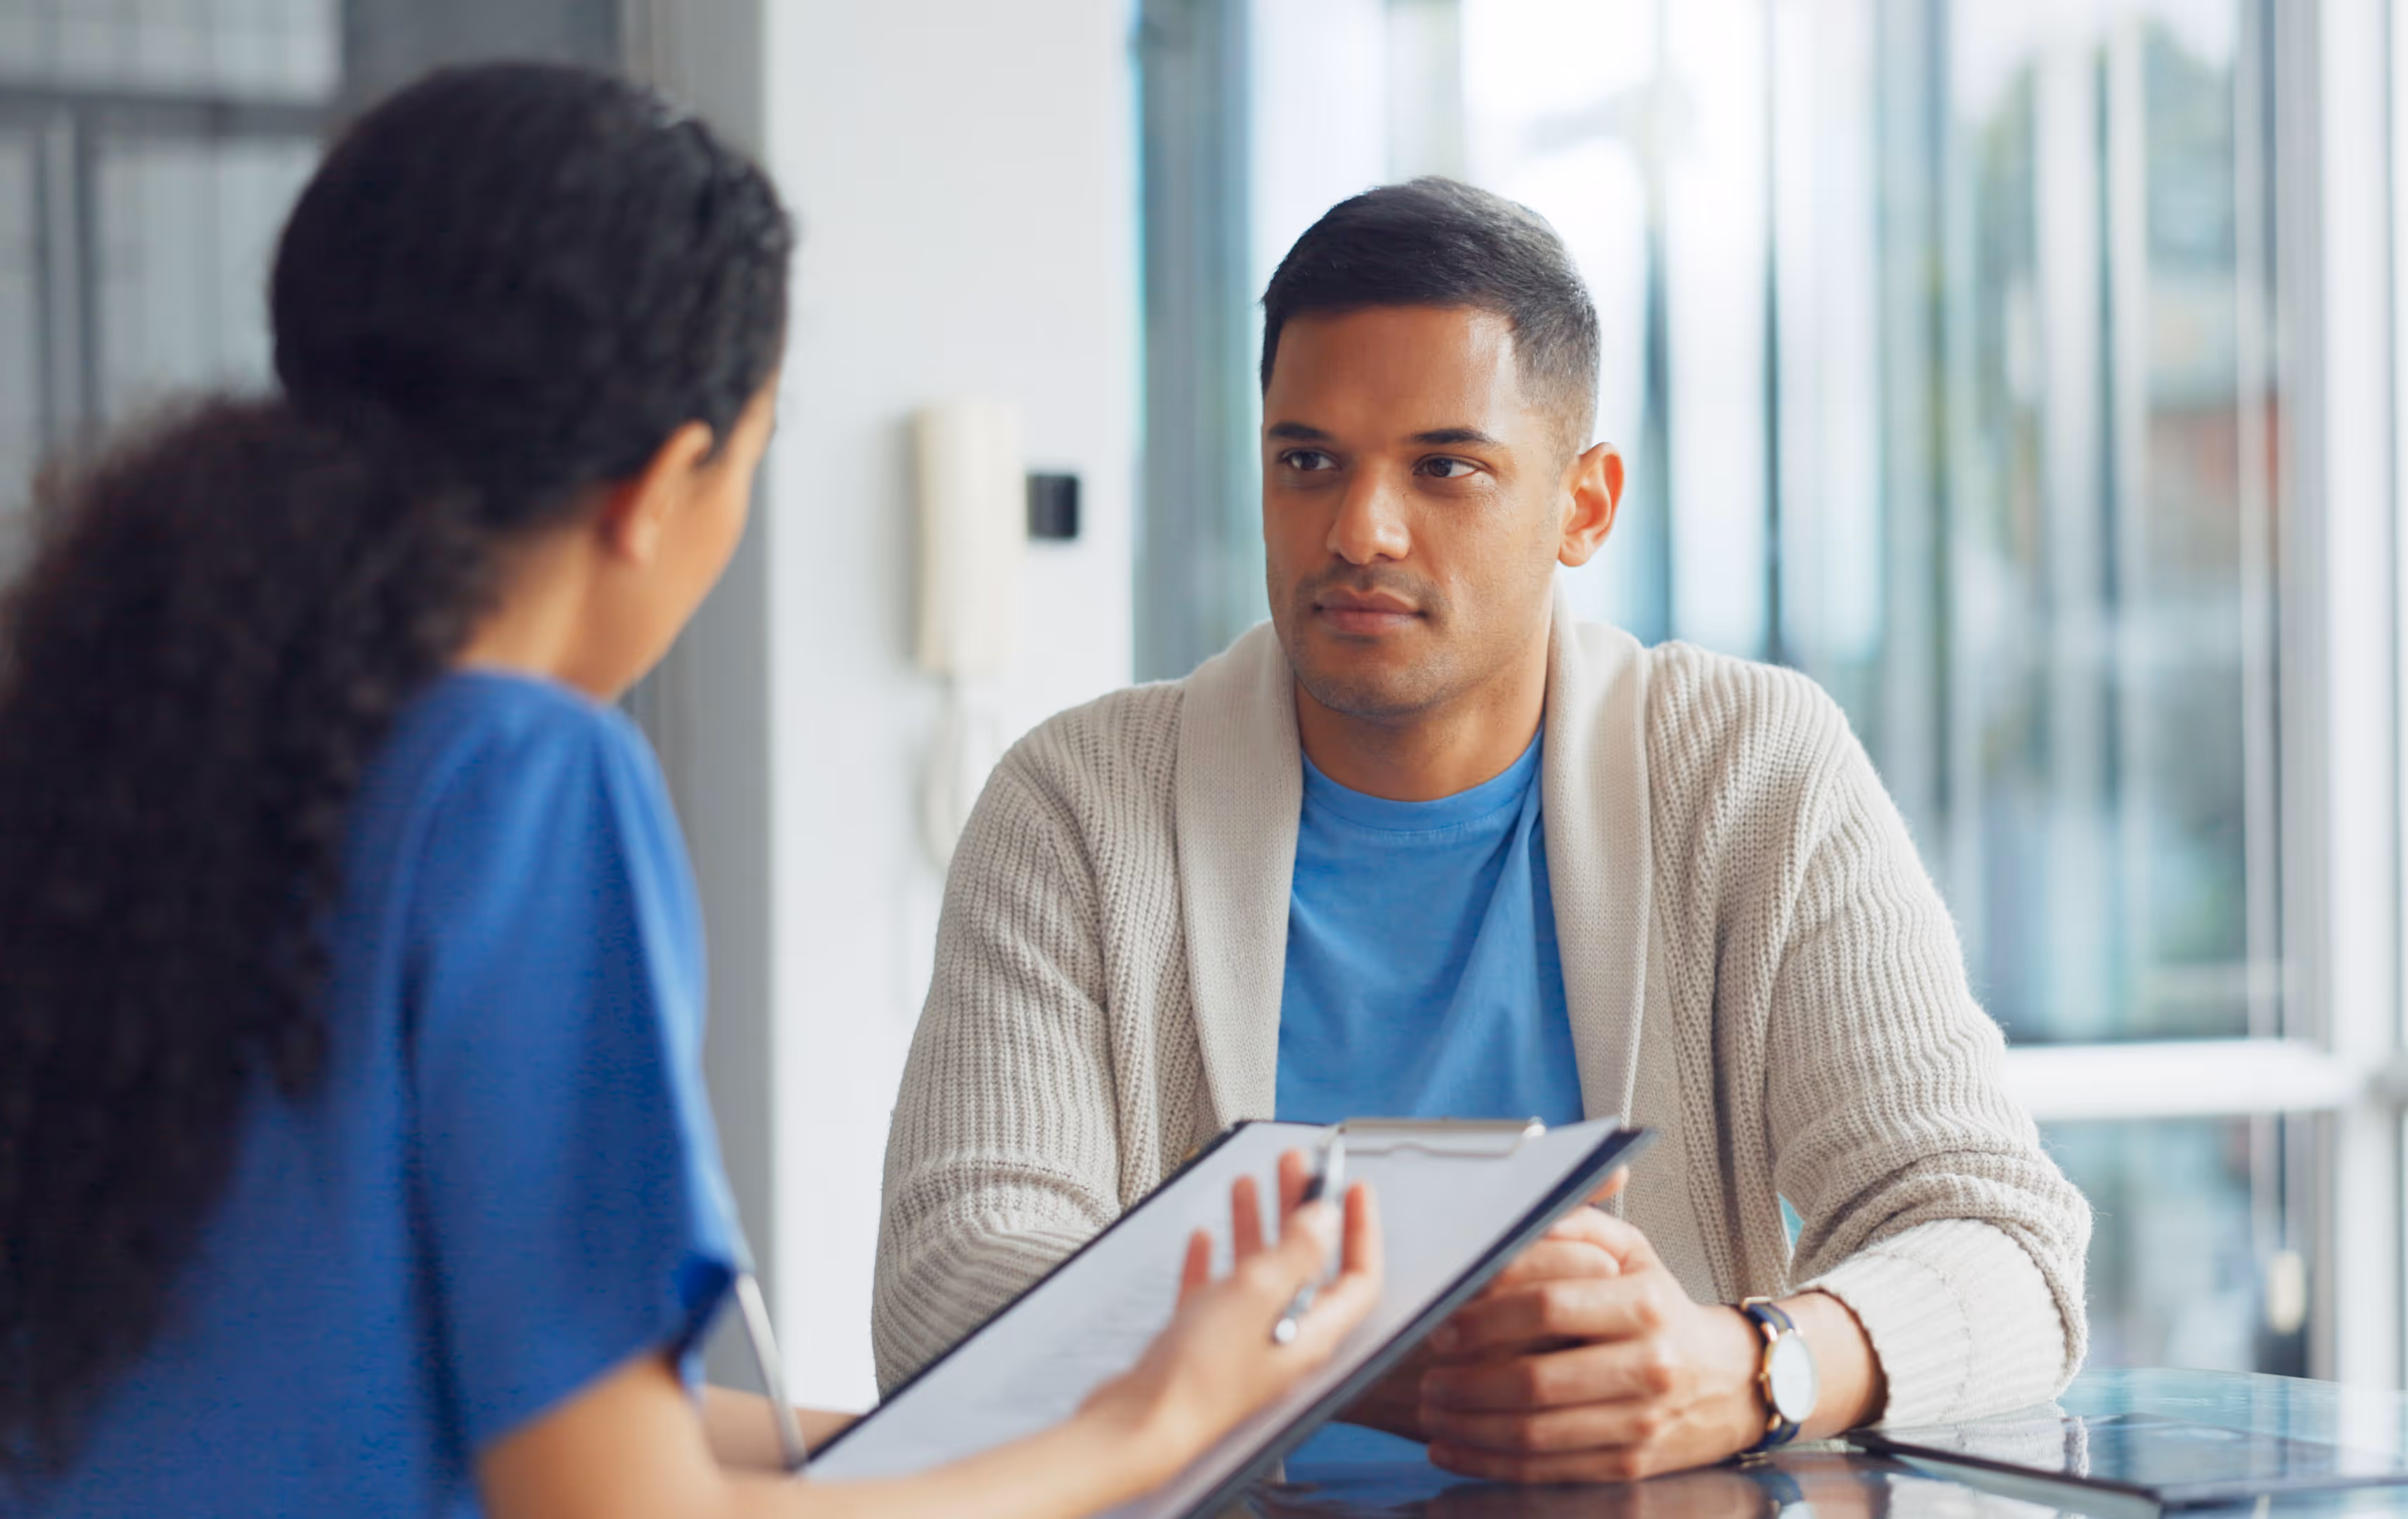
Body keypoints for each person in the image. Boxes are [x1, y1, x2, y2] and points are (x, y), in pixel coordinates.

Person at [0, 63, 1379, 1519]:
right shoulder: (520, 778)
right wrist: (1157, 1429)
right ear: (661, 486)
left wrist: (981, 1437)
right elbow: (618, 1507)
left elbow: (468, 1403)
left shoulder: (129, 752)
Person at [874, 177, 2092, 1485]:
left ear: (1585, 505)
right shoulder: (1077, 805)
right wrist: (1370, 1350)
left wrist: (1744, 1370)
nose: (1360, 530)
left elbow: (2001, 1247)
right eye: (1308, 462)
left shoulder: (1750, 770)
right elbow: (951, 1286)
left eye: (1444, 467)